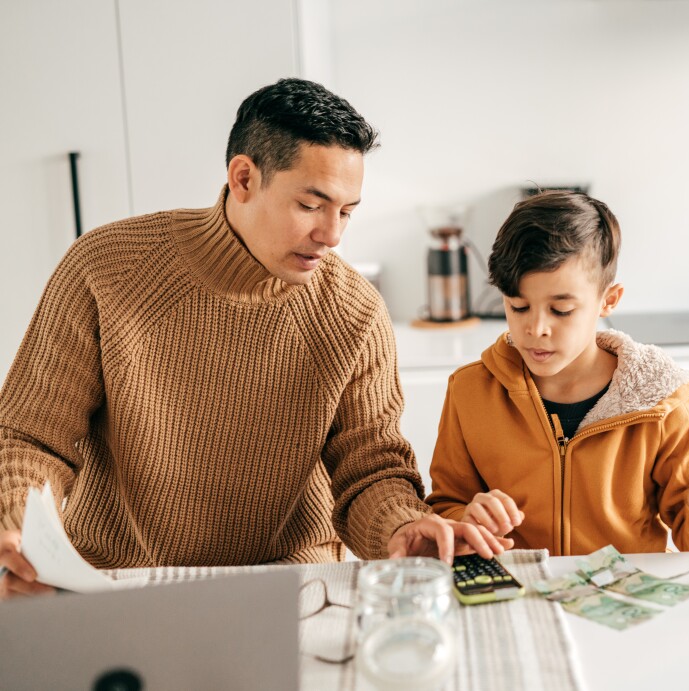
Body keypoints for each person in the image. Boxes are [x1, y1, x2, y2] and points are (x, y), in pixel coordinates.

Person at [0, 78, 507, 599]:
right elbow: (30, 438)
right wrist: (26, 536)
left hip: (293, 585)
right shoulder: (105, 268)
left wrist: (401, 527)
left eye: (347, 211)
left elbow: (370, 469)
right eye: (312, 205)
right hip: (119, 581)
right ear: (243, 178)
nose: (332, 235)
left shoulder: (354, 311)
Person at [426, 191, 689, 555]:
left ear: (609, 300)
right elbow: (445, 505)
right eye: (519, 306)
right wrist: (465, 522)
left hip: (625, 600)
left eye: (561, 310)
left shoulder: (660, 403)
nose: (536, 328)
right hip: (521, 599)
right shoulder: (470, 391)